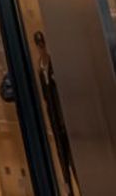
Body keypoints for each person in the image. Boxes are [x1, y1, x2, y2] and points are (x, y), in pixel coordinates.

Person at [34, 31, 76, 195]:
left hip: (65, 119)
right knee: (62, 159)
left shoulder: (55, 64)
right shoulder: (40, 68)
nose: (41, 47)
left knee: (73, 159)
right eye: (38, 44)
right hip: (55, 120)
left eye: (42, 43)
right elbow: (46, 97)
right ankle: (68, 189)